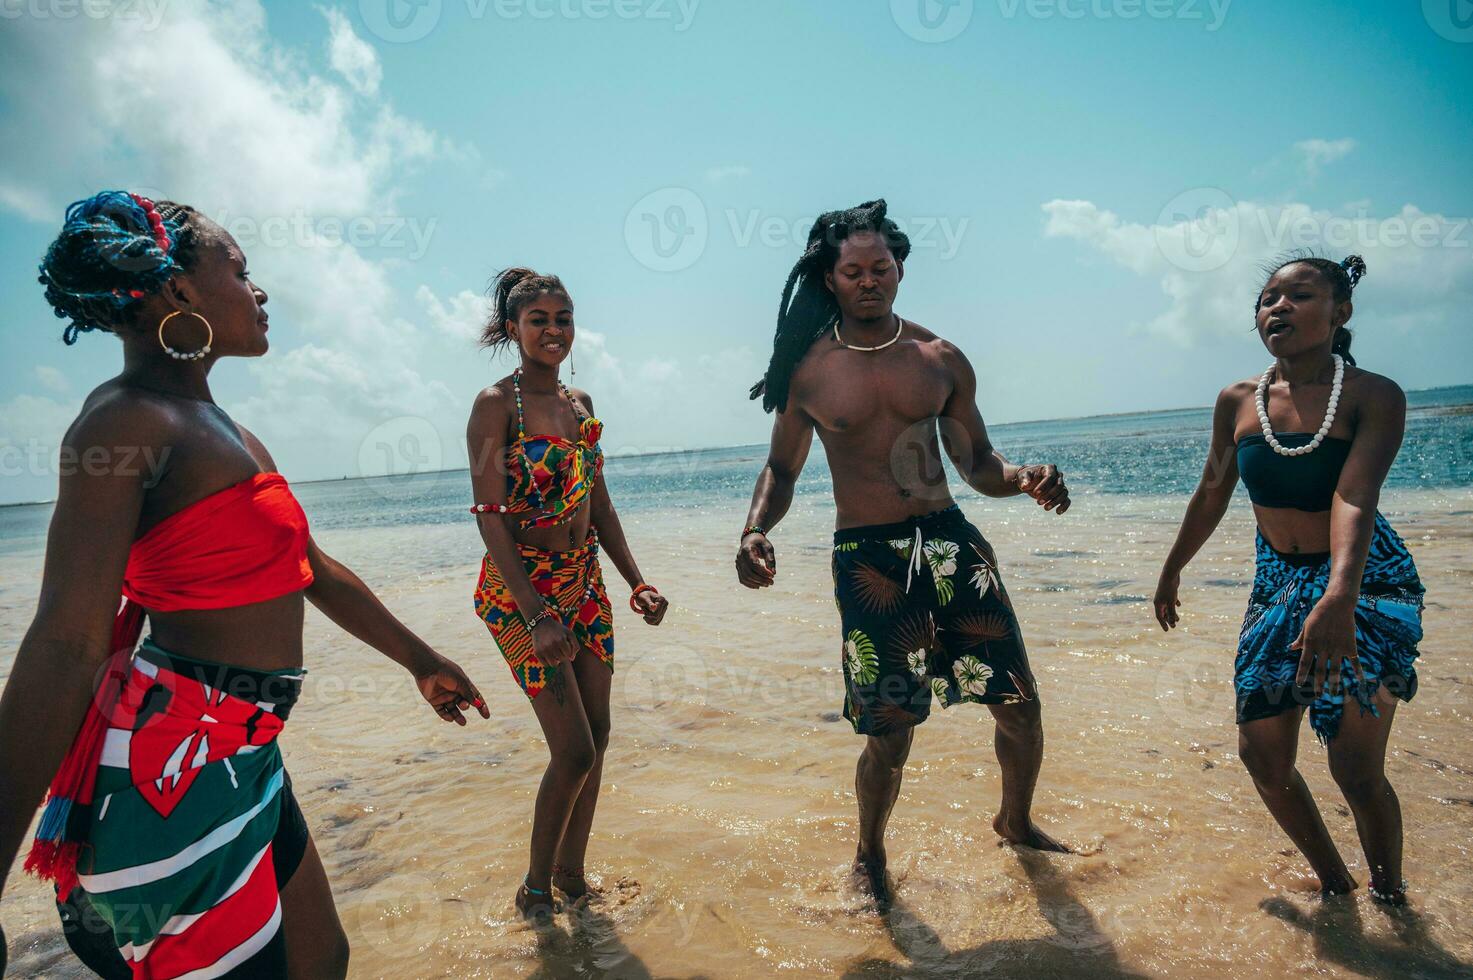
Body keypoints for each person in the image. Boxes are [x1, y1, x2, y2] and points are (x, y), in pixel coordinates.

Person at [0, 191, 490, 979]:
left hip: (247, 749)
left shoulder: (226, 429)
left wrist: (420, 660)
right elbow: (65, 641)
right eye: (241, 270)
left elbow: (313, 570)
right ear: (182, 293)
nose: (259, 291)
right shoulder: (125, 422)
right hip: (173, 773)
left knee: (321, 957)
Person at [735, 199, 1073, 908]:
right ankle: (869, 854)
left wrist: (1024, 480)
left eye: (880, 268)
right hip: (868, 560)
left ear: (899, 269)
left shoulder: (938, 358)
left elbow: (977, 460)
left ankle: (1014, 821)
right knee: (889, 732)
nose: (869, 281)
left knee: (1018, 705)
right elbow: (783, 469)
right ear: (828, 279)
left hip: (950, 543)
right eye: (853, 271)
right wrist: (754, 529)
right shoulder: (808, 373)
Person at [1154, 253, 1424, 906]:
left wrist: (1338, 595)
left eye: (1298, 296)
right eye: (1267, 298)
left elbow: (1353, 496)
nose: (1277, 307)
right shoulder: (1237, 400)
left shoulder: (1372, 395)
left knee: (1354, 770)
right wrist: (1169, 570)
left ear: (1340, 312)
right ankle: (1335, 885)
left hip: (1365, 582)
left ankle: (1390, 896)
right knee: (1264, 759)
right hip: (1275, 585)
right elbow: (1212, 491)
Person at [466, 268, 668, 921]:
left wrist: (637, 580)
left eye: (563, 318)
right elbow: (490, 514)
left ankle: (571, 877)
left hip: (586, 584)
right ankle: (532, 890)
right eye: (538, 320)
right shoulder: (496, 405)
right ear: (511, 329)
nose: (553, 330)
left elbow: (598, 504)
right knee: (573, 748)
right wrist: (535, 613)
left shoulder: (580, 405)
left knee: (600, 735)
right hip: (520, 591)